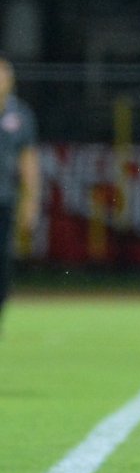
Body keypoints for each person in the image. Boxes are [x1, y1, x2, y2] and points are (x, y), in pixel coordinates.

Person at [0, 57, 39, 332]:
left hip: (3, 200)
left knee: (2, 263)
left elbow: (28, 161)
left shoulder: (20, 114)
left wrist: (31, 200)